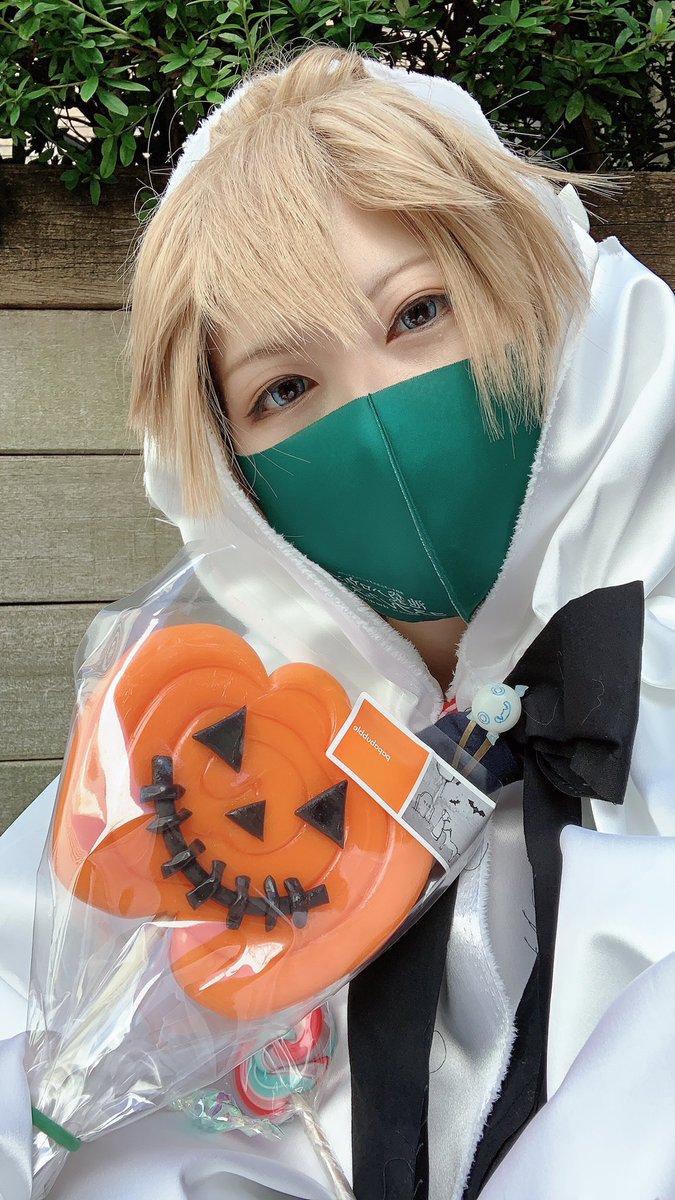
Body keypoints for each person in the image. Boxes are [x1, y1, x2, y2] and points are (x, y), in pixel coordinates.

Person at [1, 41, 675, 1200]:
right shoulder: (196, 778)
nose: (378, 410)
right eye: (284, 388)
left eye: (420, 312)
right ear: (231, 474)